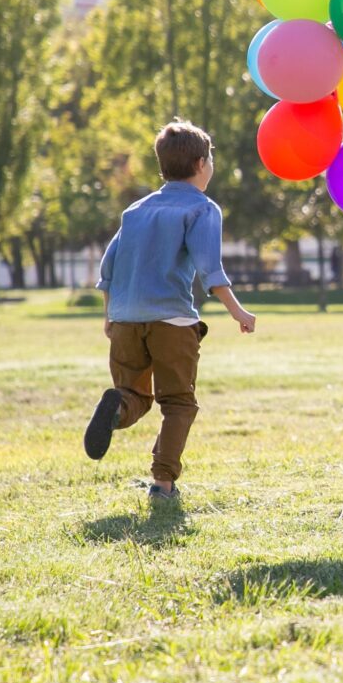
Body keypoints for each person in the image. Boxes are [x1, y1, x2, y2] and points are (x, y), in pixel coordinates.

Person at [84, 120, 256, 503]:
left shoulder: (136, 210)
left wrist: (109, 316)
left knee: (134, 395)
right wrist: (239, 312)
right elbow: (211, 269)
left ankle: (117, 408)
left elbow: (108, 268)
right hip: (172, 321)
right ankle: (162, 484)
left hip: (126, 319)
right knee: (178, 403)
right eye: (210, 159)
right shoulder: (202, 208)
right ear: (200, 164)